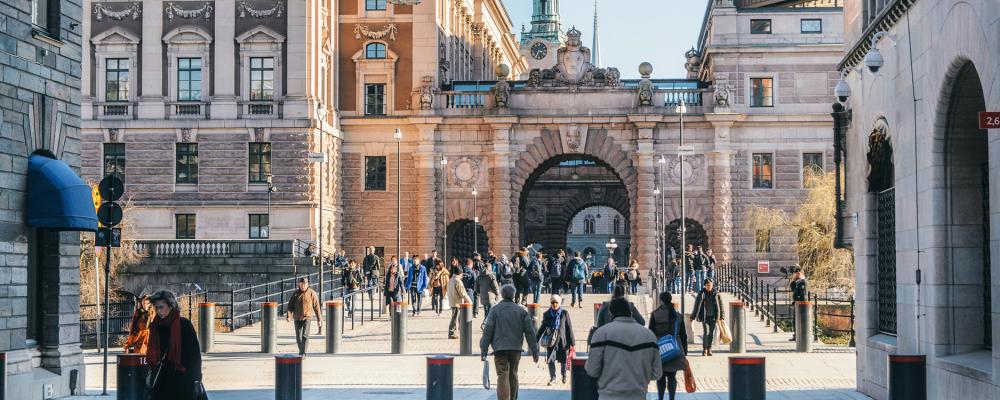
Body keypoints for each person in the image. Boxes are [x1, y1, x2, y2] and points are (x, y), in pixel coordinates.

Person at [585, 297, 661, 400]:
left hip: (608, 396)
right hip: (638, 395)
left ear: (611, 313)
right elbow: (657, 373)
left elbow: (592, 370)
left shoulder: (601, 333)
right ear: (631, 312)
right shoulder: (649, 336)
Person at [480, 285, 540, 400]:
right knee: (513, 374)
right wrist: (535, 350)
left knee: (502, 374)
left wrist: (484, 349)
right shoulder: (521, 311)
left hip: (499, 349)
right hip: (515, 349)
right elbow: (530, 332)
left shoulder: (495, 311)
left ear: (502, 295)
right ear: (513, 295)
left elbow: (488, 331)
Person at [146, 290, 202, 400]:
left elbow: (194, 354)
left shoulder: (184, 324)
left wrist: (196, 378)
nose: (158, 310)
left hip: (183, 377)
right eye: (156, 307)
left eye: (161, 307)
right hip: (162, 377)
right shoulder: (155, 326)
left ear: (171, 306)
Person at [649, 291, 688, 400]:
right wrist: (684, 351)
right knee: (672, 376)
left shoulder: (655, 314)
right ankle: (672, 398)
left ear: (661, 300)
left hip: (660, 348)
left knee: (660, 377)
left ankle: (660, 398)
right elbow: (683, 335)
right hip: (675, 348)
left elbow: (650, 333)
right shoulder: (678, 316)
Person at [536, 294, 575, 385]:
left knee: (563, 360)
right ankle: (553, 378)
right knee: (550, 360)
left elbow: (569, 328)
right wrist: (536, 339)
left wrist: (572, 342)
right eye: (552, 302)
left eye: (556, 302)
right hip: (551, 341)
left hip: (563, 341)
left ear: (559, 303)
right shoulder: (547, 314)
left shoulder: (564, 313)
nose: (554, 304)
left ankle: (564, 376)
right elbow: (542, 327)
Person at [286, 277, 322, 356]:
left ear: (308, 284)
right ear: (299, 284)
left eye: (305, 284)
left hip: (307, 317)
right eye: (302, 284)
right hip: (297, 318)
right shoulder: (295, 294)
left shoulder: (312, 293)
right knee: (299, 337)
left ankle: (303, 353)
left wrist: (319, 320)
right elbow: (290, 306)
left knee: (305, 335)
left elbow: (317, 307)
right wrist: (289, 316)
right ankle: (301, 351)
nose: (303, 286)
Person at [691, 278, 724, 356]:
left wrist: (722, 316)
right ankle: (704, 349)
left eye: (711, 285)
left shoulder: (716, 293)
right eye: (708, 285)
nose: (709, 287)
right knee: (706, 332)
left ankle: (709, 348)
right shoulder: (701, 293)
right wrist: (693, 316)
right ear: (705, 286)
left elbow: (721, 305)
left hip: (714, 316)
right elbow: (696, 305)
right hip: (704, 317)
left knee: (711, 333)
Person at [447, 266, 472, 339]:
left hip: (452, 301)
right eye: (462, 275)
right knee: (455, 318)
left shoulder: (451, 279)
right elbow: (463, 293)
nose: (462, 276)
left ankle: (460, 331)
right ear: (460, 274)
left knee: (457, 318)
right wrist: (470, 301)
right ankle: (452, 333)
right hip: (457, 302)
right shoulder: (458, 281)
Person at [789, 267, 808, 341]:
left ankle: (801, 335)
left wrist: (802, 279)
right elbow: (793, 289)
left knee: (801, 320)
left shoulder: (803, 281)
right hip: (796, 303)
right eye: (796, 273)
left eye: (798, 273)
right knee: (795, 320)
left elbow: (803, 293)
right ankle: (796, 335)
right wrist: (795, 280)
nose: (797, 274)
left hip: (802, 303)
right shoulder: (796, 282)